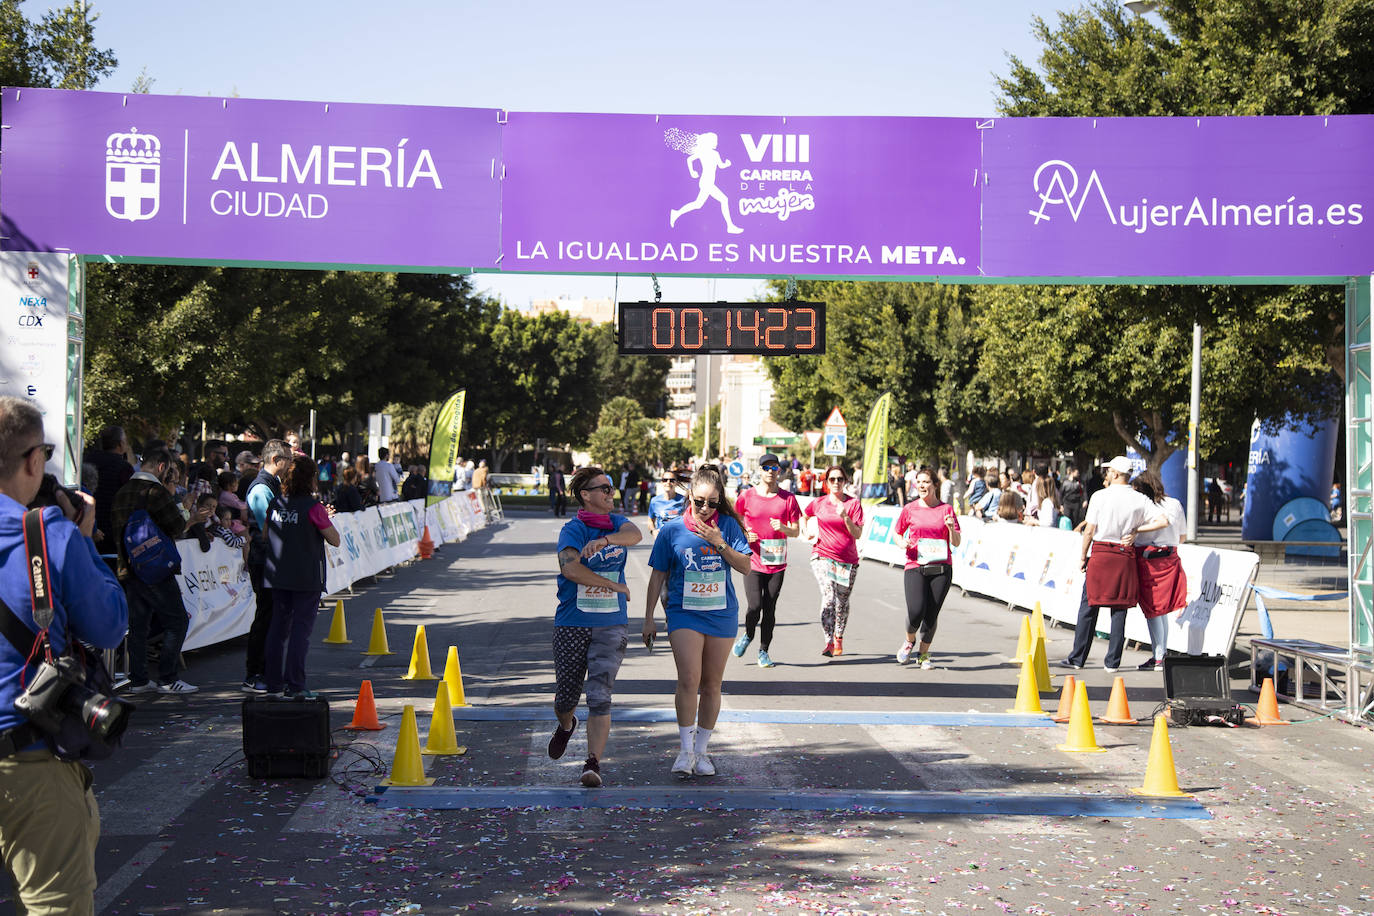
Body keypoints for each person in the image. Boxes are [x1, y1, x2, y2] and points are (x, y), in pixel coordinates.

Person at [0, 396, 129, 915]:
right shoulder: (47, 536)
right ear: (34, 461)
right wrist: (81, 540)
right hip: (28, 761)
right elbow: (109, 622)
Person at [643, 465, 751, 777]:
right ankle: (685, 751)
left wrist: (719, 543)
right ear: (689, 495)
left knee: (712, 683)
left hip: (720, 614)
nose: (705, 508)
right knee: (689, 678)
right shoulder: (672, 530)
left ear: (720, 502)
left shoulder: (728, 526)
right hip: (683, 611)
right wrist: (648, 618)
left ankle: (702, 751)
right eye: (699, 501)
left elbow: (745, 566)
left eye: (712, 503)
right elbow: (657, 576)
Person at [547, 467, 643, 788]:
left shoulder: (616, 524)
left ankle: (593, 763)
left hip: (611, 624)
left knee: (600, 696)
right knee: (566, 698)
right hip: (573, 623)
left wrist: (605, 540)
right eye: (603, 489)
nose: (609, 493)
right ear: (585, 495)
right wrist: (611, 585)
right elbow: (570, 569)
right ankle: (565, 725)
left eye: (612, 487)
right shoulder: (572, 531)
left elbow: (635, 535)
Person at [1059, 456, 1169, 672]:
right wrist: (1137, 531)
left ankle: (1078, 658)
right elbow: (1163, 520)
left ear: (1116, 474)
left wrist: (1083, 555)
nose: (1107, 474)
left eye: (1109, 471)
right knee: (1119, 610)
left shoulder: (1100, 496)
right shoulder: (1139, 499)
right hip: (1123, 555)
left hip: (1101, 553)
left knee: (1089, 606)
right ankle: (1112, 662)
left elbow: (1090, 530)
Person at [111, 447, 200, 694]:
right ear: (161, 467)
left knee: (138, 626)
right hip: (155, 568)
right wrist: (187, 512)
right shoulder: (154, 491)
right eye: (169, 470)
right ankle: (167, 678)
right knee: (178, 620)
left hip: (128, 568)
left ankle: (139, 679)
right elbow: (176, 526)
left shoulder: (121, 493)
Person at [262, 456, 340, 699]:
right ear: (311, 479)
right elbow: (335, 539)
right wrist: (324, 519)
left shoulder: (275, 503)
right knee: (300, 631)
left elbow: (266, 534)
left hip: (277, 574)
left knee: (277, 629)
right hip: (306, 577)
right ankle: (295, 684)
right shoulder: (314, 507)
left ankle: (273, 684)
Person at [732, 453, 801, 668]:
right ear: (760, 471)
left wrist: (784, 528)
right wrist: (745, 533)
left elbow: (796, 531)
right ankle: (748, 635)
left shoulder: (788, 498)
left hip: (776, 561)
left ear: (779, 471)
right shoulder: (747, 496)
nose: (770, 472)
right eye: (766, 468)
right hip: (752, 560)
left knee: (769, 608)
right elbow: (734, 523)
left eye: (774, 468)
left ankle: (764, 651)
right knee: (755, 606)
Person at [894, 467, 961, 669]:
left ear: (935, 485)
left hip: (941, 568)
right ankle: (909, 641)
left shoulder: (946, 510)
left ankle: (923, 654)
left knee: (931, 615)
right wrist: (901, 543)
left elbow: (956, 542)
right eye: (919, 482)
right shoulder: (910, 508)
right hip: (915, 565)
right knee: (916, 611)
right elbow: (897, 532)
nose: (922, 485)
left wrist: (950, 527)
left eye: (926, 482)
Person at [242, 439, 293, 693]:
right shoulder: (262, 489)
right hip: (264, 561)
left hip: (272, 560)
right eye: (289, 459)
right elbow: (268, 528)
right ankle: (254, 674)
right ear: (276, 460)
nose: (291, 465)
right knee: (265, 617)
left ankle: (267, 670)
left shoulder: (273, 486)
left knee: (272, 617)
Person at [803, 464, 865, 658]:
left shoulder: (853, 504)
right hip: (822, 555)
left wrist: (845, 516)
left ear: (845, 482)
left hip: (847, 560)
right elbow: (804, 515)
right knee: (829, 596)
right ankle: (828, 640)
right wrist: (807, 532)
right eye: (832, 479)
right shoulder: (819, 502)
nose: (836, 482)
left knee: (842, 602)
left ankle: (839, 637)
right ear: (827, 482)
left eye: (840, 479)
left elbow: (857, 533)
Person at [1131, 470, 1188, 671]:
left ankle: (1159, 656)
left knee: (1153, 610)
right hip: (1170, 558)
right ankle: (1160, 653)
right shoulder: (1175, 504)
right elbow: (1182, 536)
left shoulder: (1143, 507)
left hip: (1148, 560)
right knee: (1160, 611)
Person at [85, 424, 133, 554]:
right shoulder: (124, 468)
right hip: (113, 532)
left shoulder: (87, 460)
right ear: (120, 444)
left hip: (87, 526)